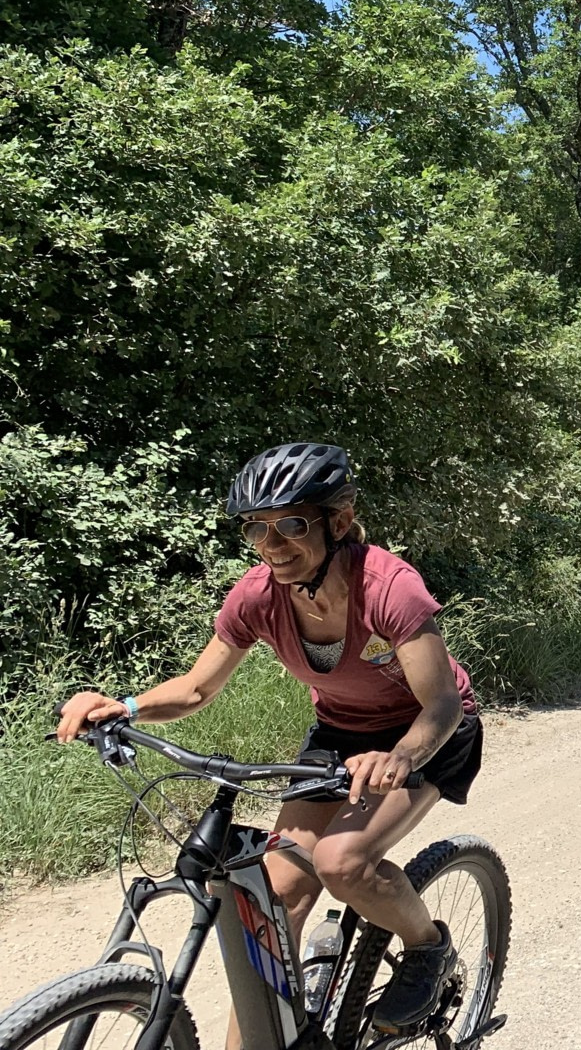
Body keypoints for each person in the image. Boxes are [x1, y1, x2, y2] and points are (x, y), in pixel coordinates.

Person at [56, 442, 483, 1041]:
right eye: (255, 528)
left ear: (338, 521)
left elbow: (439, 703)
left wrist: (399, 757)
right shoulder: (258, 595)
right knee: (273, 900)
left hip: (428, 733)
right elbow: (198, 687)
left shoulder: (390, 587)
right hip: (340, 732)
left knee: (342, 861)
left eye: (289, 524)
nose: (270, 544)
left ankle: (427, 947)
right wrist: (124, 706)